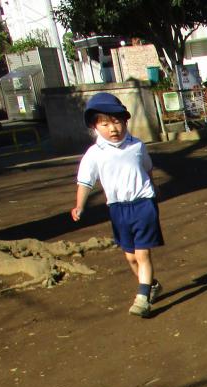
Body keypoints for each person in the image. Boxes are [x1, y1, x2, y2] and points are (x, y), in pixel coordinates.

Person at [72, 93, 163, 317]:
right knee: (131, 257)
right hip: (117, 209)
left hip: (143, 204)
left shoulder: (137, 146)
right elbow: (85, 181)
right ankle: (151, 285)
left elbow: (147, 169)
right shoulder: (94, 154)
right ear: (95, 127)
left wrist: (153, 188)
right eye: (105, 124)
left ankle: (142, 299)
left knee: (142, 255)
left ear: (125, 122)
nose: (113, 129)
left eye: (117, 122)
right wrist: (79, 206)